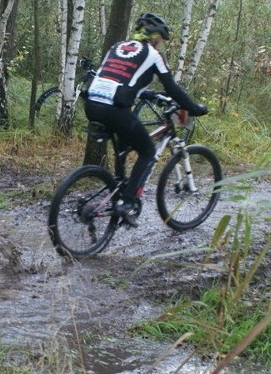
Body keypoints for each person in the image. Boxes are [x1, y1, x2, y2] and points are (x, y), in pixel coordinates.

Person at [84, 12, 208, 227]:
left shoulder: (117, 47)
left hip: (92, 104)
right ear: (155, 36)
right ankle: (127, 202)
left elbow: (116, 78)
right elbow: (172, 88)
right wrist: (194, 108)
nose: (160, 43)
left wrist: (148, 94)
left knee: (125, 143)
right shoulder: (152, 54)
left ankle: (120, 187)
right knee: (148, 152)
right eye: (161, 38)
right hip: (114, 109)